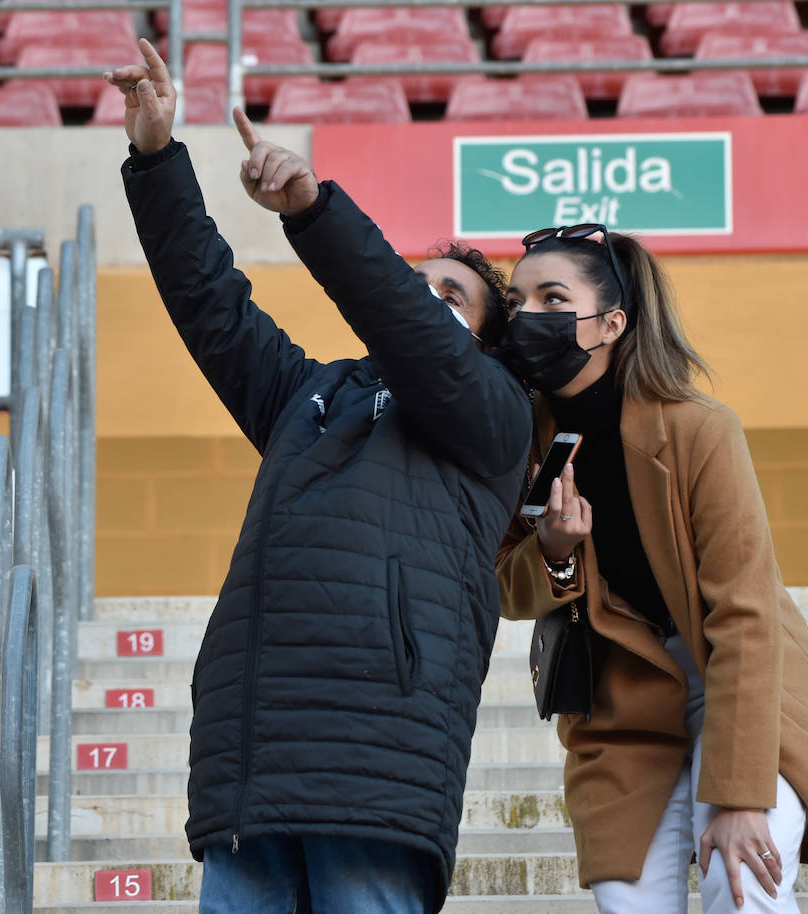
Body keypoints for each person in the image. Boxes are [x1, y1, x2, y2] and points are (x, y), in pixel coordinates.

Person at [105, 40, 531, 914]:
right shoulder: (314, 397)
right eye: (419, 284)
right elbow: (212, 309)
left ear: (486, 344)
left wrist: (310, 210)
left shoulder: (493, 417)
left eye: (450, 295)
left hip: (374, 773)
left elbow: (397, 315)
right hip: (254, 767)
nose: (422, 298)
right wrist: (156, 158)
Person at [494, 224, 808, 914]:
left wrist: (741, 795)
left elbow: (746, 612)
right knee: (628, 902)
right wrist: (556, 552)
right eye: (516, 302)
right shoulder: (517, 442)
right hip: (621, 712)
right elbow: (504, 585)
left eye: (552, 297)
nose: (526, 316)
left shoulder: (697, 429)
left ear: (610, 323)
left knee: (741, 882)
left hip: (736, 686)